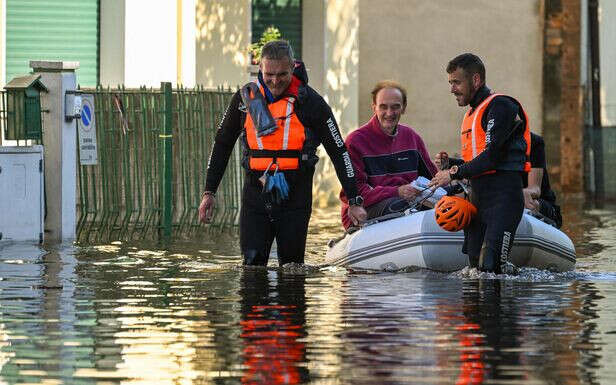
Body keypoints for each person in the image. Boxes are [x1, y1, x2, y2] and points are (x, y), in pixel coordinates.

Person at [199, 40, 367, 266]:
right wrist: (209, 192)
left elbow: (339, 152)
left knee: (292, 267)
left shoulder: (311, 103)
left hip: (296, 195)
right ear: (260, 68)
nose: (275, 81)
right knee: (251, 266)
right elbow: (222, 144)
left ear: (293, 68)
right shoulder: (245, 100)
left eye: (282, 74)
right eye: (269, 74)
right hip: (255, 194)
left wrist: (354, 199)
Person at [428, 53, 531, 274]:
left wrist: (453, 174)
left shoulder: (500, 105)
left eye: (457, 82)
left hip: (503, 199)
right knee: (474, 269)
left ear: (475, 80)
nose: (452, 89)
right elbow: (476, 160)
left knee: (491, 268)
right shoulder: (471, 114)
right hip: (477, 201)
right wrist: (451, 163)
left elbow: (492, 156)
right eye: (450, 83)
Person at [340, 80, 437, 229]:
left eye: (395, 107)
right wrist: (397, 191)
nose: (389, 113)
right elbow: (353, 192)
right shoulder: (356, 141)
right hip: (368, 209)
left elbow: (432, 179)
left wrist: (446, 171)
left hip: (410, 206)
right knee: (399, 204)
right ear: (374, 107)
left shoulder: (412, 137)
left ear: (403, 108)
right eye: (383, 107)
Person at [524, 132, 562, 228]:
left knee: (522, 199)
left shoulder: (534, 142)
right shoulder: (485, 145)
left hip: (536, 202)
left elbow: (535, 189)